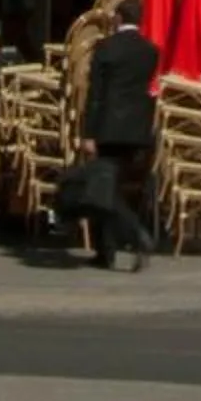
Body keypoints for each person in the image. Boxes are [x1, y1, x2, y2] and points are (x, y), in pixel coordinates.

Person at [64, 15, 163, 268]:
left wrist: (88, 133)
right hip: (137, 132)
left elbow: (96, 94)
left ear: (118, 19)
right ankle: (105, 252)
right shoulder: (150, 51)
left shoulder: (106, 48)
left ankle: (136, 236)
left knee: (104, 192)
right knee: (110, 188)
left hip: (108, 130)